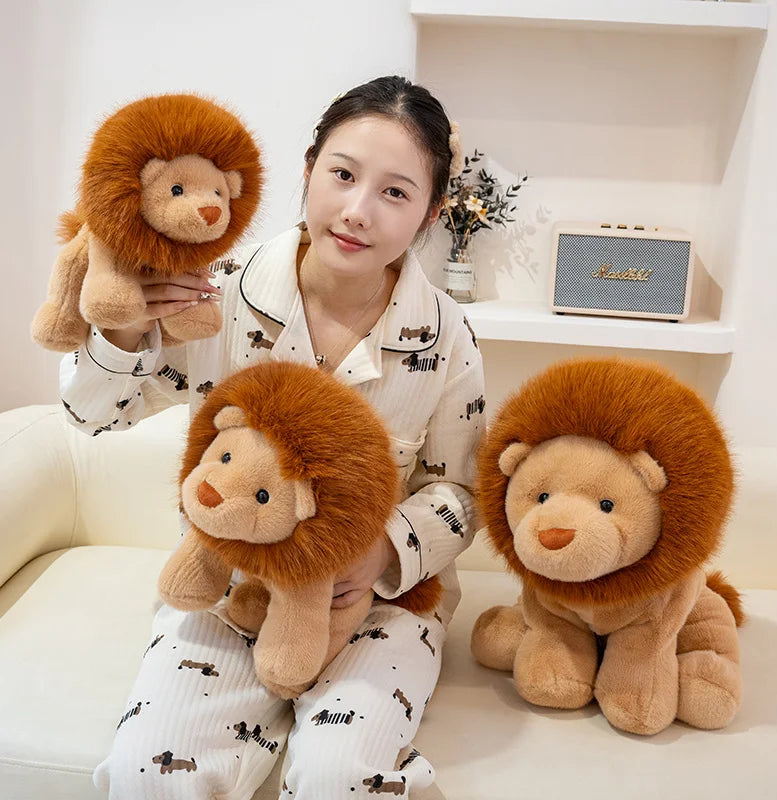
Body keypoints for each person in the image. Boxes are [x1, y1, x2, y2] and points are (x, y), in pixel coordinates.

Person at [59, 75, 486, 799]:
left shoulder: (448, 339)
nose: (357, 212)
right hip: (232, 584)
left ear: (430, 213)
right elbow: (89, 417)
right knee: (144, 774)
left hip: (378, 603)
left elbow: (461, 494)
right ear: (309, 168)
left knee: (340, 779)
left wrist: (382, 552)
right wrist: (126, 332)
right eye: (343, 175)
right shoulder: (212, 293)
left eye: (395, 192)